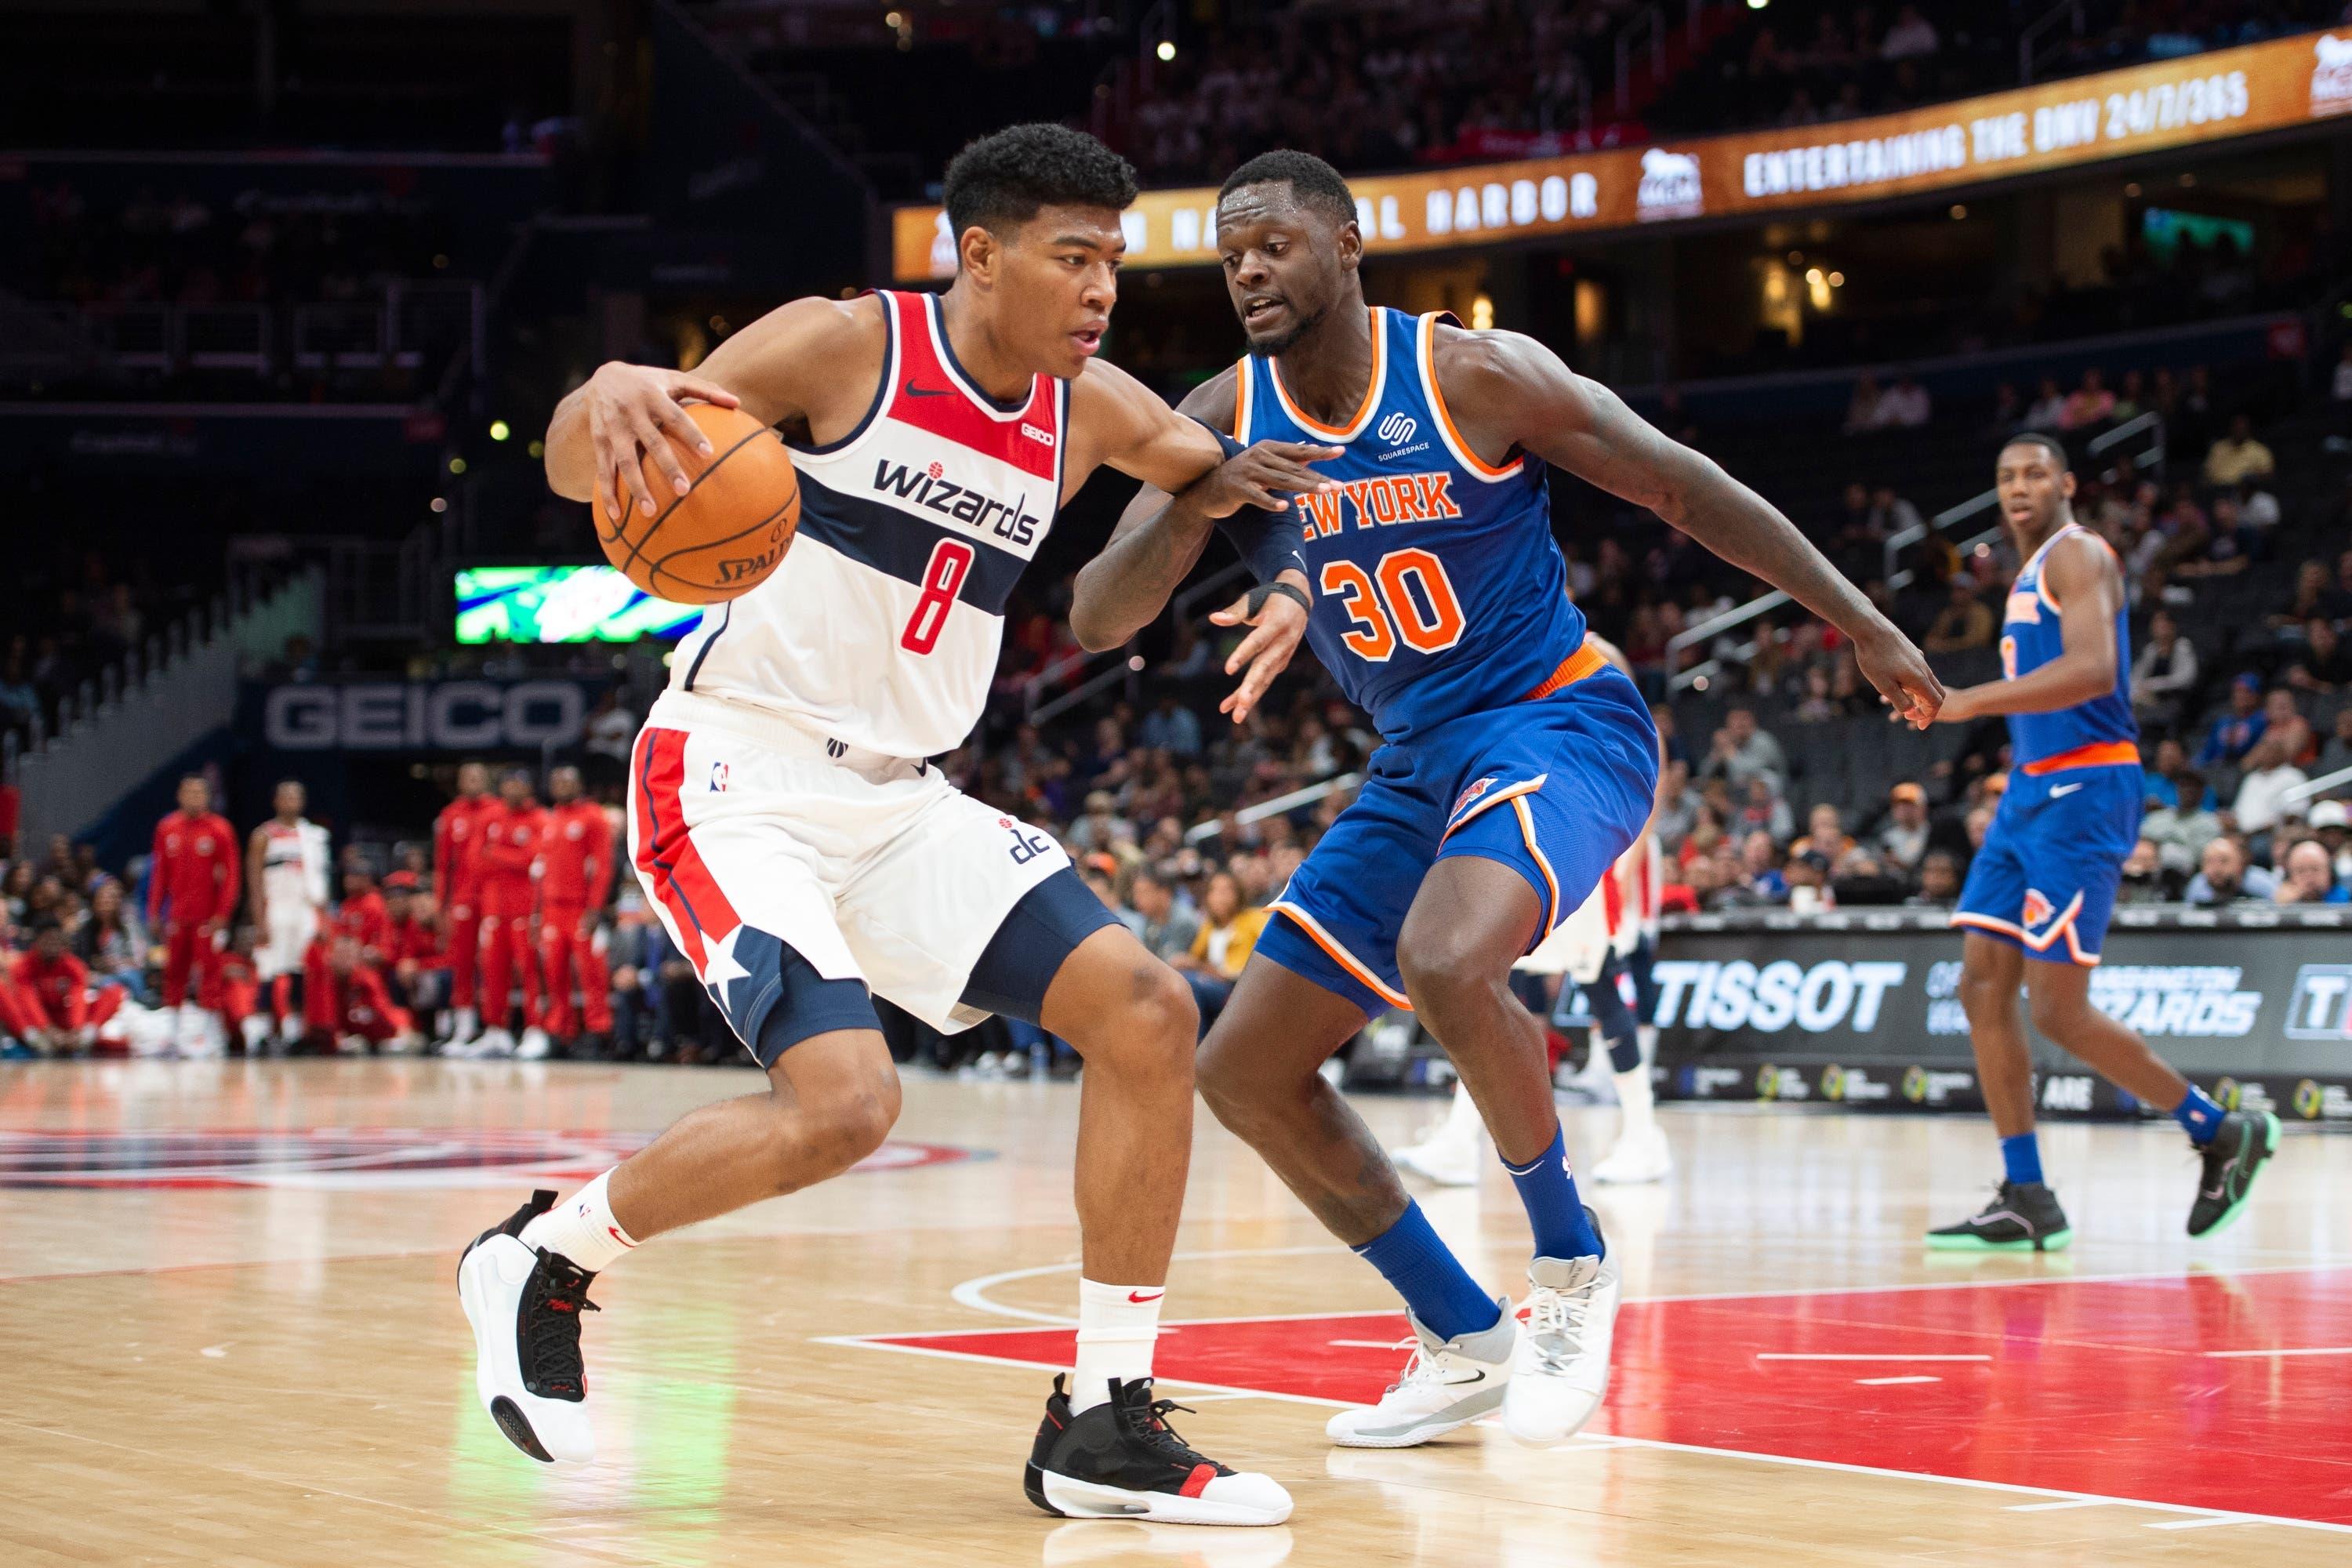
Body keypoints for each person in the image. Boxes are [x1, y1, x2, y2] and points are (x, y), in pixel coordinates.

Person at [469, 124, 1303, 1522]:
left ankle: (1101, 1422)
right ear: (978, 254)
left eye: (1115, 260)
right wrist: (609, 388)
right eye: (1073, 256)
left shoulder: (1088, 409)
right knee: (848, 1105)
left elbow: (1223, 466)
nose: (1102, 289)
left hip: (905, 798)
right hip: (736, 767)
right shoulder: (845, 347)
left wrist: (1288, 574)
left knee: (1149, 1012)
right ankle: (545, 1257)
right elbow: (577, 464)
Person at [1069, 149, 1941, 1454]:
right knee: (1242, 1070)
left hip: (1561, 718)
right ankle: (1463, 1337)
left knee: (1445, 956)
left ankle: (1575, 1272)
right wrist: (1199, 499)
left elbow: (1680, 484)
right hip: (1417, 755)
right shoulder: (1223, 412)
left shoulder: (1473, 376)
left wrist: (1862, 623)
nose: (1248, 268)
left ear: (1348, 244)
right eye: (1229, 250)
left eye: (1274, 242)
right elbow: (1096, 617)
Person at [1928, 434, 2277, 1252]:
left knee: (2057, 1008)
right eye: (2007, 474)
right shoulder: (2022, 574)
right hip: (2031, 786)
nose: (2020, 485)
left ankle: (2220, 1130)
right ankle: (2026, 1192)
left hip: (2087, 784)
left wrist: (1968, 701)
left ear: (2066, 484)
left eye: (2035, 472)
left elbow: (2091, 669)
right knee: (1982, 985)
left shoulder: (2078, 554)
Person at [453, 770, 547, 1060]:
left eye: (519, 784)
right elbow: (474, 862)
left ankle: (535, 1030)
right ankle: (496, 1031)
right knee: (492, 971)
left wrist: (496, 855)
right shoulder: (490, 818)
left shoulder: (539, 819)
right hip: (493, 909)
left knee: (530, 972)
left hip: (525, 910)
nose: (513, 789)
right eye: (508, 783)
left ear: (529, 788)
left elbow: (533, 860)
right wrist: (509, 858)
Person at [147, 774, 238, 1054]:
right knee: (174, 972)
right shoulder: (167, 828)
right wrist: (154, 911)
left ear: (208, 797)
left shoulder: (219, 829)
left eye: (200, 793)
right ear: (179, 795)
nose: (195, 798)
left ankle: (210, 1036)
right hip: (177, 917)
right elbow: (160, 873)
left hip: (208, 918)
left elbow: (231, 875)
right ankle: (173, 1035)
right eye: (189, 792)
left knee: (210, 973)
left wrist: (223, 913)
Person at [246, 779, 331, 1051]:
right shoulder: (263, 835)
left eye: (296, 797)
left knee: (299, 970)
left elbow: (321, 880)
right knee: (268, 970)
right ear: (276, 801)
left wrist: (322, 917)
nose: (290, 802)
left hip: (304, 910)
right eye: (285, 797)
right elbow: (255, 881)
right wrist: (260, 920)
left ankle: (294, 1033)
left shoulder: (314, 836)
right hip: (276, 908)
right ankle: (259, 1034)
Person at [535, 765, 615, 1056]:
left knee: (590, 973)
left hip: (581, 908)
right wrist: (538, 912)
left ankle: (598, 1031)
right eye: (557, 781)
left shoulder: (593, 817)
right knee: (554, 972)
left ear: (579, 784)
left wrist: (594, 908)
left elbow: (603, 866)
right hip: (552, 910)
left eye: (567, 781)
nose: (562, 786)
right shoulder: (551, 819)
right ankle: (560, 1031)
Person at [433, 761, 494, 1044]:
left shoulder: (498, 812)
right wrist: (440, 905)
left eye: (478, 777)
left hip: (494, 899)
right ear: (459, 782)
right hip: (462, 900)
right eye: (467, 777)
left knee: (494, 963)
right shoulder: (450, 815)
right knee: (463, 963)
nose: (473, 782)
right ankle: (464, 1026)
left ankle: (495, 1028)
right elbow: (443, 865)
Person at [2184, 835, 2278, 904]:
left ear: (2240, 864)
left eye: (2224, 861)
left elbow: (2281, 901)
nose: (2216, 869)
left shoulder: (2260, 882)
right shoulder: (2198, 886)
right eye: (2209, 862)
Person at [2274, 838, 2349, 904]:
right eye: (2301, 871)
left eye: (2315, 869)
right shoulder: (2281, 902)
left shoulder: (2347, 900)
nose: (2309, 877)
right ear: (2289, 876)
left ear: (2330, 872)